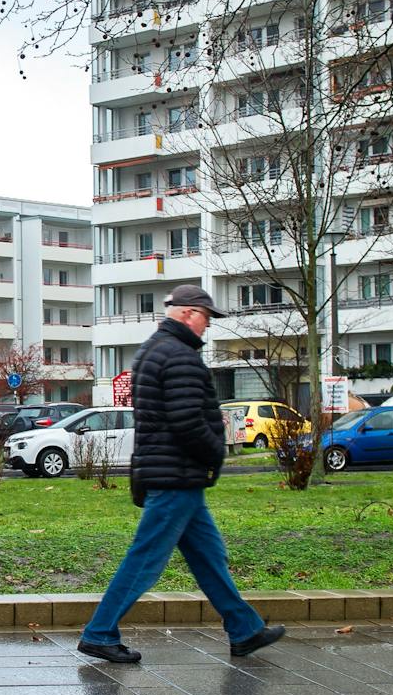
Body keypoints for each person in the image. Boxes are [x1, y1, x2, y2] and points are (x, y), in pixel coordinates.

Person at [77, 284, 285, 665]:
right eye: (206, 318)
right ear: (188, 314)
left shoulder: (152, 350)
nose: (207, 327)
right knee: (145, 559)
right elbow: (189, 421)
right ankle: (99, 632)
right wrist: (214, 453)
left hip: (170, 472)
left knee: (209, 556)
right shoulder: (180, 356)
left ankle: (244, 629)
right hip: (177, 475)